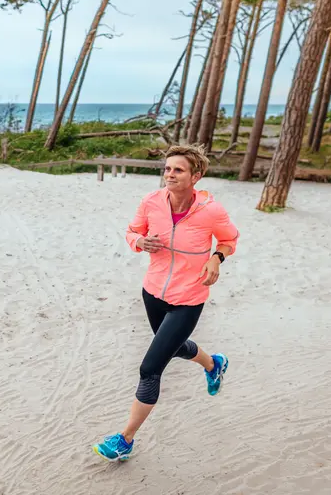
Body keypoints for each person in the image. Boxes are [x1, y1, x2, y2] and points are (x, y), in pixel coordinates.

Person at [93, 144, 240, 462]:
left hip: (189, 298)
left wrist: (216, 258)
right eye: (167, 168)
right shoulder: (151, 202)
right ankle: (214, 364)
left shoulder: (211, 211)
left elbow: (230, 240)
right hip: (153, 292)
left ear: (195, 176)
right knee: (172, 346)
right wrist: (139, 242)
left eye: (178, 170)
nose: (169, 174)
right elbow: (132, 233)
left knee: (150, 369)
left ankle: (125, 439)